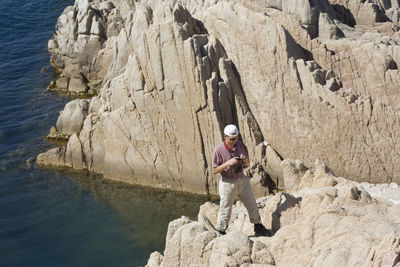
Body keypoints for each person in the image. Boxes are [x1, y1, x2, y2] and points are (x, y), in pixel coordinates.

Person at [212, 124, 270, 236]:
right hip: (227, 183)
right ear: (225, 137)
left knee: (252, 204)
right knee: (225, 208)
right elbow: (214, 170)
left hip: (242, 179)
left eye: (236, 138)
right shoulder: (218, 150)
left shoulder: (239, 145)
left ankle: (258, 226)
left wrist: (244, 160)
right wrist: (228, 163)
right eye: (232, 139)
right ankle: (220, 231)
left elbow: (247, 163)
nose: (234, 141)